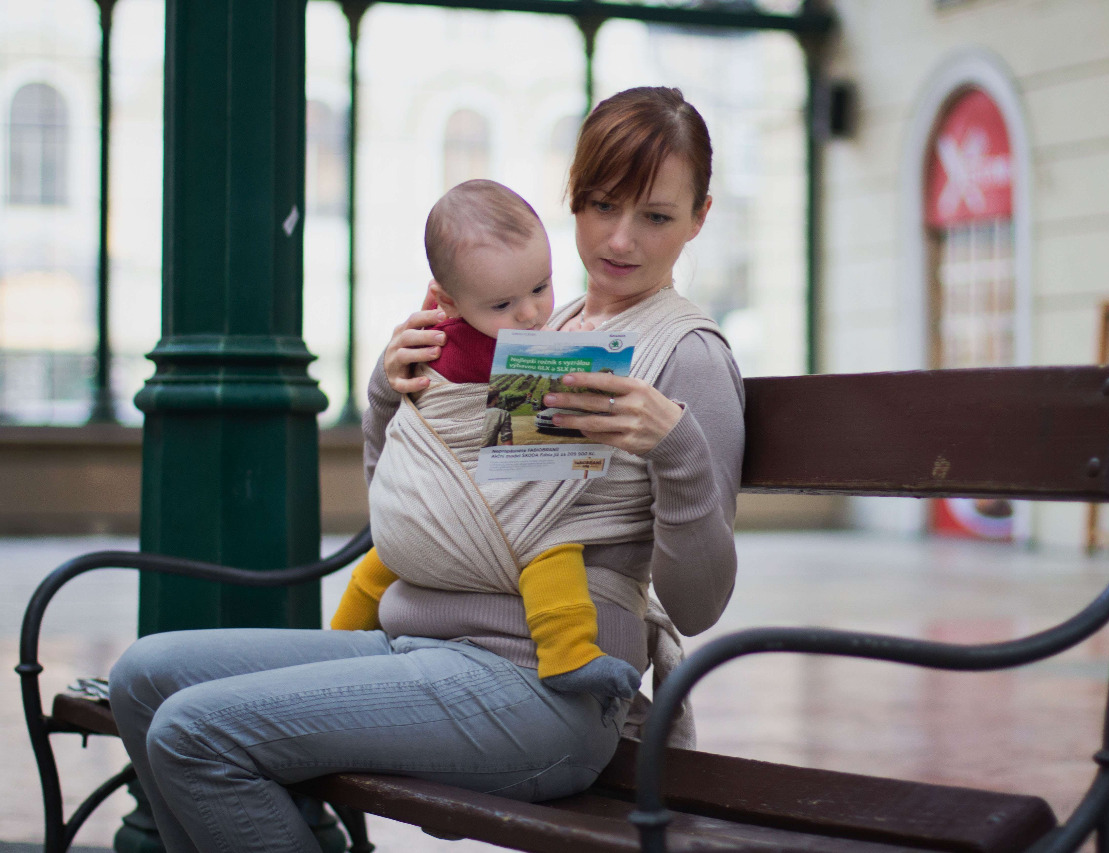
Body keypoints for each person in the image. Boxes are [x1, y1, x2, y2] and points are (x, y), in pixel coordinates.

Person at [108, 86, 744, 853]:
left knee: (194, 734)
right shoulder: (537, 319)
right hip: (420, 642)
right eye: (601, 204)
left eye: (657, 215)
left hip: (543, 690)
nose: (619, 238)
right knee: (143, 675)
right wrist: (393, 392)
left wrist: (676, 450)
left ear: (700, 217)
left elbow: (699, 604)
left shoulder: (691, 355)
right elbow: (411, 505)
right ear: (571, 198)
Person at [330, 177, 641, 702]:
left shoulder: (427, 339)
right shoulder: (497, 352)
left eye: (541, 287)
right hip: (475, 500)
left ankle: (340, 640)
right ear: (447, 301)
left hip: (422, 517)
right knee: (551, 546)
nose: (528, 314)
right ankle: (568, 652)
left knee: (383, 560)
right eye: (502, 305)